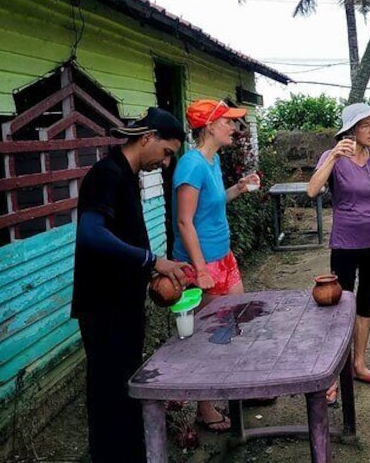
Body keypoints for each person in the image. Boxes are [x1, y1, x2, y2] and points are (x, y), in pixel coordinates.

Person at [71, 107, 188, 462]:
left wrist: (151, 272)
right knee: (109, 395)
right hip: (104, 307)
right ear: (148, 137)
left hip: (123, 303)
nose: (166, 164)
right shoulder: (106, 175)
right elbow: (90, 234)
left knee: (126, 389)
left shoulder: (126, 175)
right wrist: (152, 261)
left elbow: (123, 242)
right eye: (167, 153)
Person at [172, 98, 260, 432]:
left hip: (223, 256)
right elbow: (184, 221)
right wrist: (201, 270)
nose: (234, 128)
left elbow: (214, 202)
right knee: (207, 336)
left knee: (234, 325)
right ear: (209, 126)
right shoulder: (191, 165)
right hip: (202, 263)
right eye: (228, 122)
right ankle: (205, 408)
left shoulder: (212, 160)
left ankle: (236, 390)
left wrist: (240, 187)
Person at [307, 103, 370, 403]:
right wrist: (333, 155)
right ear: (350, 131)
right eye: (365, 125)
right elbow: (312, 190)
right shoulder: (334, 158)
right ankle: (334, 373)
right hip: (345, 243)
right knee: (340, 306)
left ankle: (358, 364)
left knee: (365, 305)